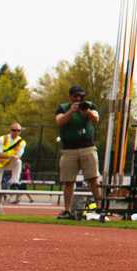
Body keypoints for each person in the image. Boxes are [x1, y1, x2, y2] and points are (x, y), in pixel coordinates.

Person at [56, 85, 103, 219]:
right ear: (70, 96)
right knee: (68, 180)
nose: (78, 98)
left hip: (87, 147)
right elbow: (59, 121)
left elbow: (96, 119)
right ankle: (67, 210)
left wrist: (86, 111)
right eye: (75, 96)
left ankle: (100, 208)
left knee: (93, 178)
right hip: (69, 149)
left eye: (80, 96)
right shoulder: (63, 108)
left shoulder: (89, 105)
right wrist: (71, 111)